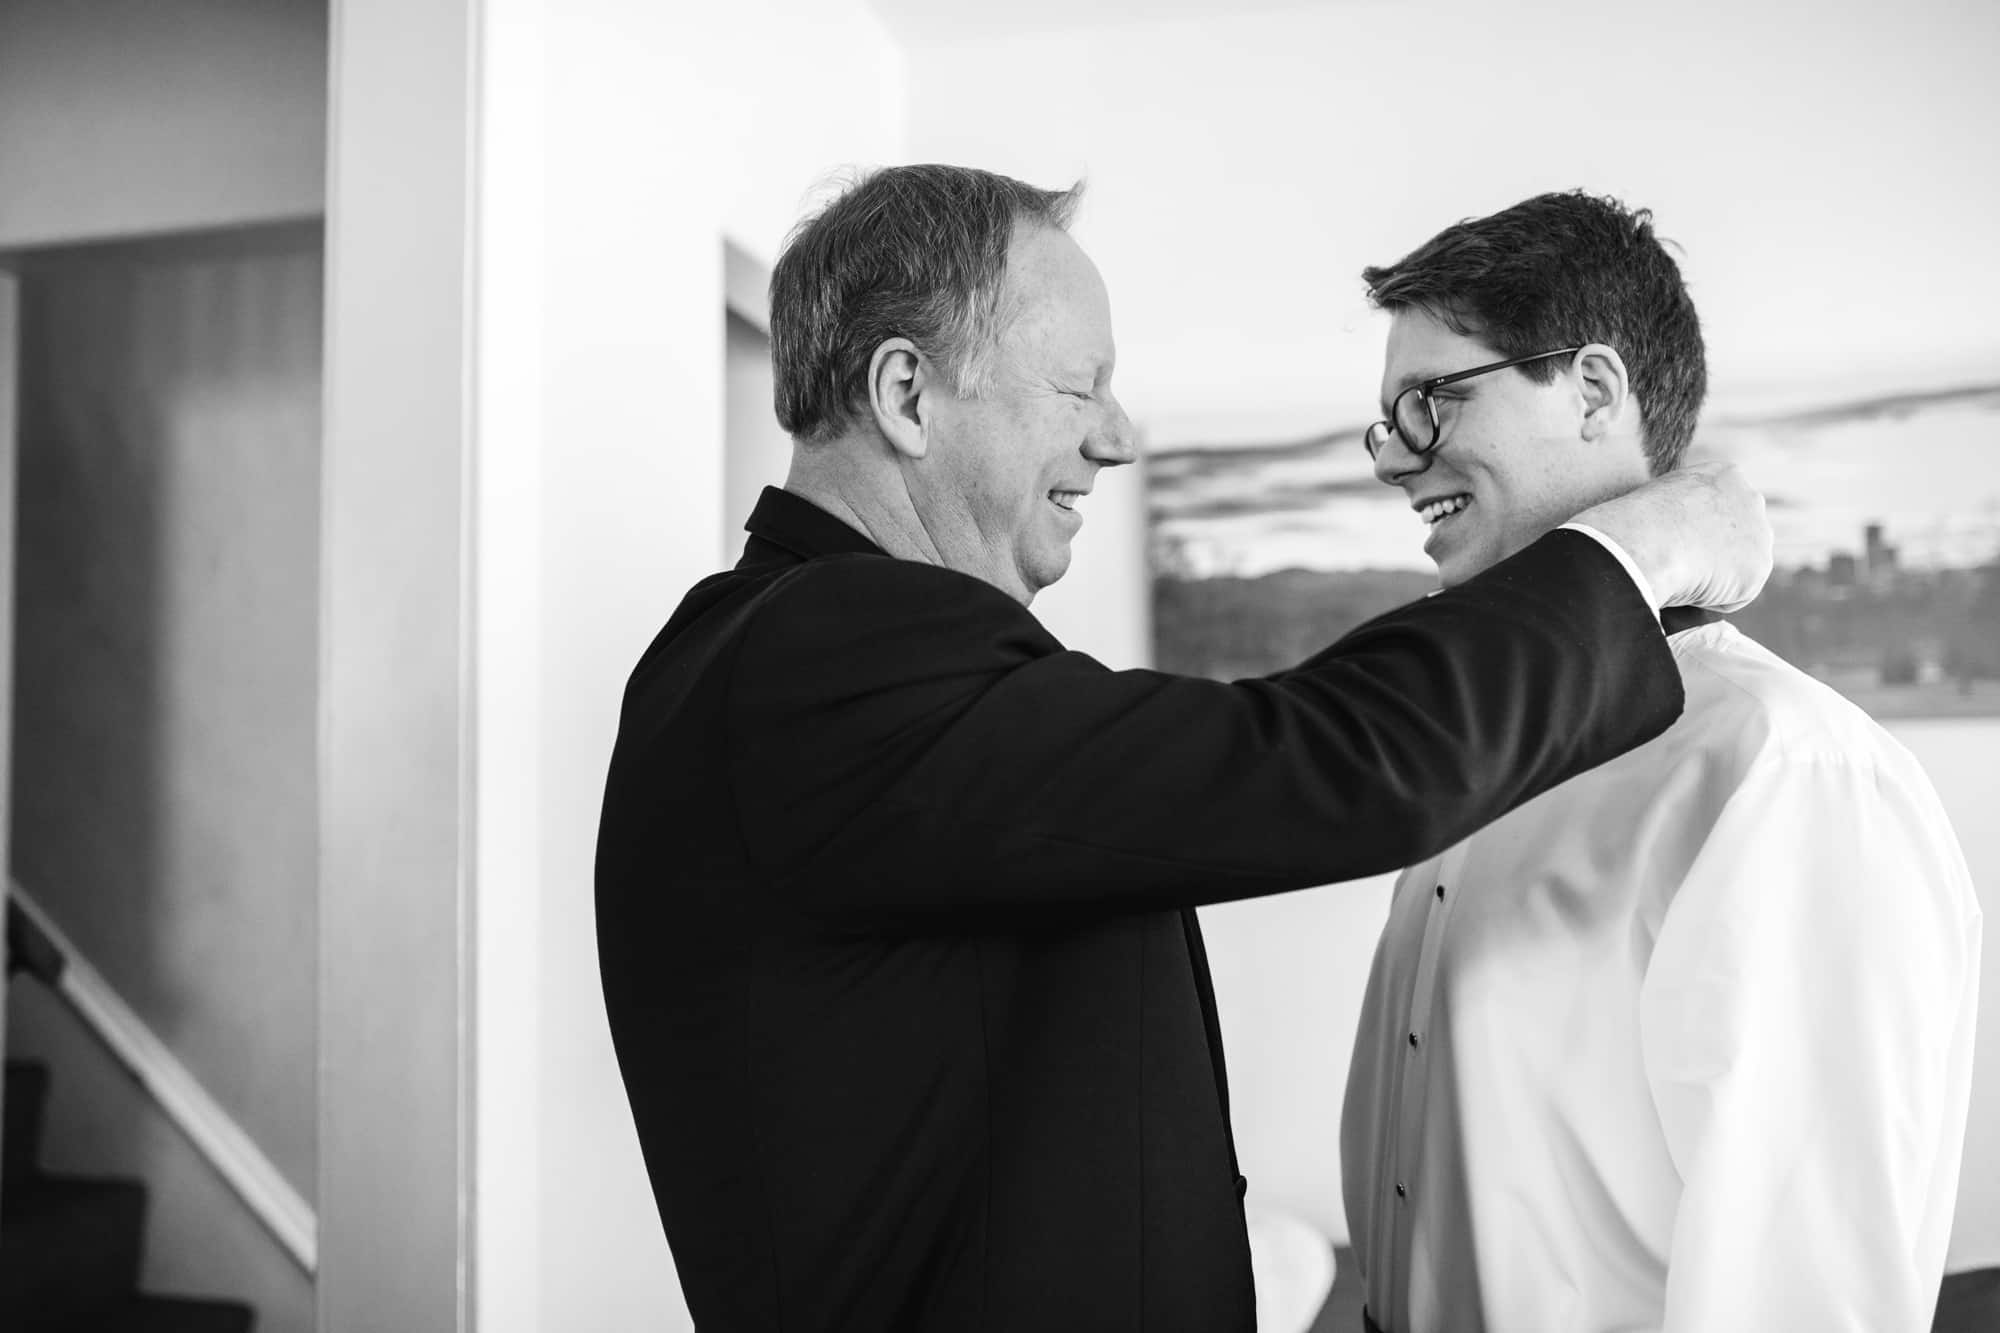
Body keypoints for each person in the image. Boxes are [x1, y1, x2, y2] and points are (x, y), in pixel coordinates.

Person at [594, 164, 1771, 1333]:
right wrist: (1645, 544)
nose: (1118, 439)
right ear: (906, 393)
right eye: (1081, 387)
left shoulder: (773, 652)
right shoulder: (825, 650)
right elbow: (1315, 762)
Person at [1340, 191, 1982, 1333]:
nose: (1397, 461)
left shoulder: (1781, 768)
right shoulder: (1471, 742)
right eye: (1388, 422)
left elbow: (1801, 1286)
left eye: (1428, 403)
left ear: (1591, 390)